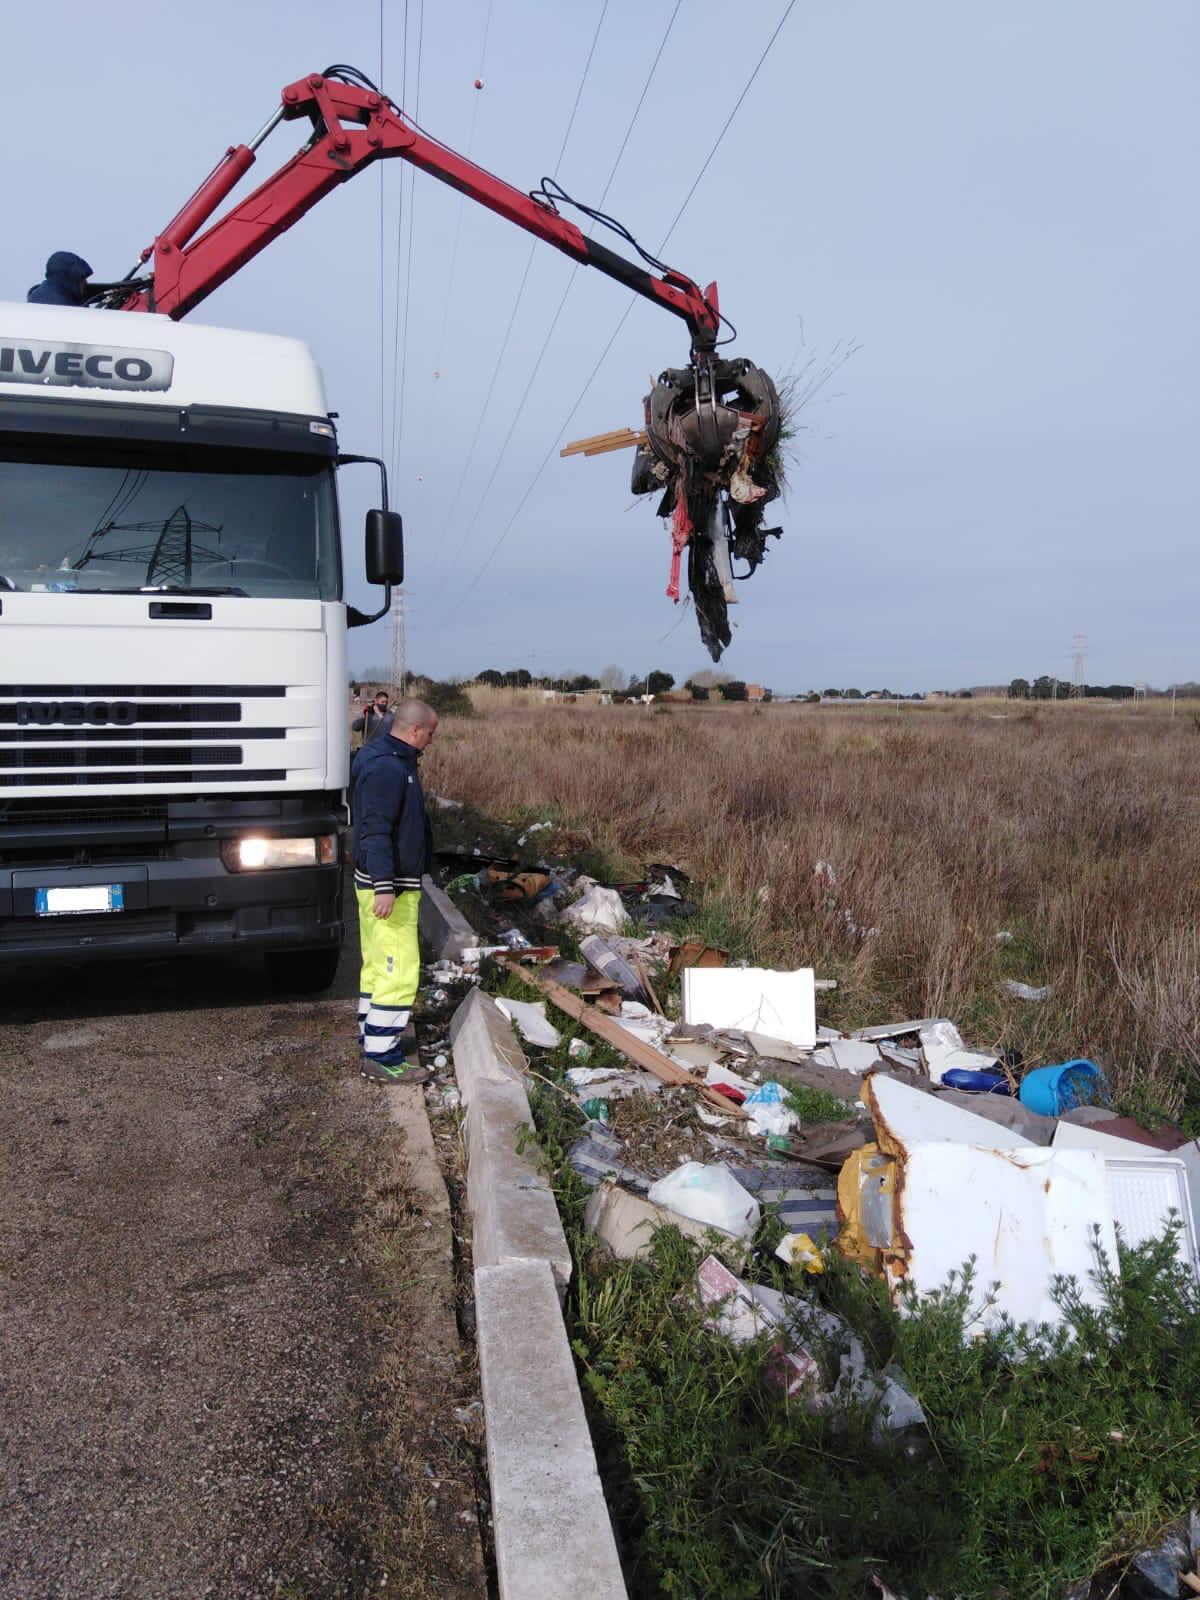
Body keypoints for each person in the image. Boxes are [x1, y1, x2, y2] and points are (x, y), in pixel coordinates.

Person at [351, 698, 438, 1083]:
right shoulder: (389, 768)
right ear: (415, 730)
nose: (431, 742)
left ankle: (371, 1034)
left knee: (375, 965)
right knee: (398, 969)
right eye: (431, 734)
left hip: (376, 883)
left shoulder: (383, 756)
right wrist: (385, 886)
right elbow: (377, 829)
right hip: (390, 889)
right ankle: (382, 1057)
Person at [27, 251, 93, 307]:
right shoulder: (63, 306)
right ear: (70, 280)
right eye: (82, 279)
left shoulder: (37, 295)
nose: (85, 283)